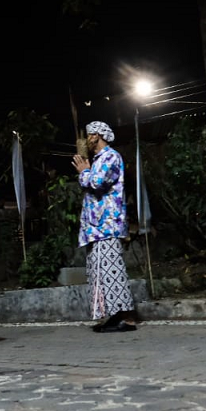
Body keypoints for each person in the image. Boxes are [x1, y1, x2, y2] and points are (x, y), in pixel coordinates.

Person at [71, 121, 138, 333]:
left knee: (112, 271)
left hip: (107, 225)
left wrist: (84, 171)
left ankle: (127, 318)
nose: (86, 140)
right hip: (95, 228)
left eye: (89, 135)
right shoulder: (99, 159)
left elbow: (97, 182)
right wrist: (87, 170)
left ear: (97, 136)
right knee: (99, 273)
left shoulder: (111, 157)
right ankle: (113, 315)